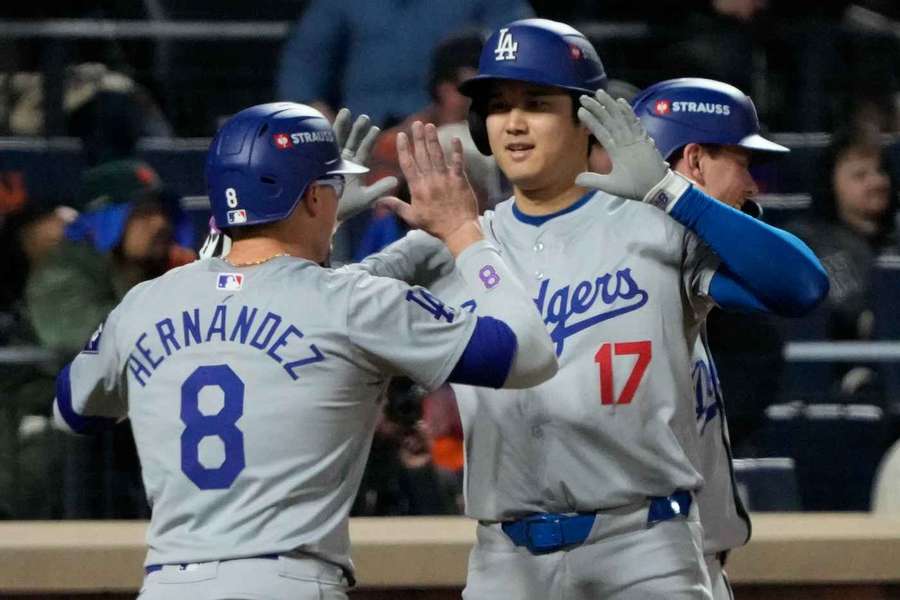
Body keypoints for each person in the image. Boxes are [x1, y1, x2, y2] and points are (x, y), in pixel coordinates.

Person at [362, 18, 828, 599]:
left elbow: (802, 287)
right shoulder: (460, 244)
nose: (514, 122)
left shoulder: (654, 223)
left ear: (586, 118)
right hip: (507, 556)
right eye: (499, 106)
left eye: (537, 103)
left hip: (643, 545)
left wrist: (671, 192)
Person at [53, 101, 558, 600]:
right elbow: (528, 353)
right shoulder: (349, 303)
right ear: (314, 199)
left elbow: (71, 410)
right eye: (331, 188)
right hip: (285, 581)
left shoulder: (145, 302)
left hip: (168, 582)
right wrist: (463, 232)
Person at [631, 76, 792, 600]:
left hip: (694, 562)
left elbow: (800, 284)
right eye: (742, 164)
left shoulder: (696, 262)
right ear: (694, 161)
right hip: (633, 564)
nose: (753, 185)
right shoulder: (613, 267)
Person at [275, 0, 533, 127]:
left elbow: (521, 48)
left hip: (455, 129)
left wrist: (479, 95)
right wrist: (323, 122)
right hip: (365, 141)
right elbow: (301, 66)